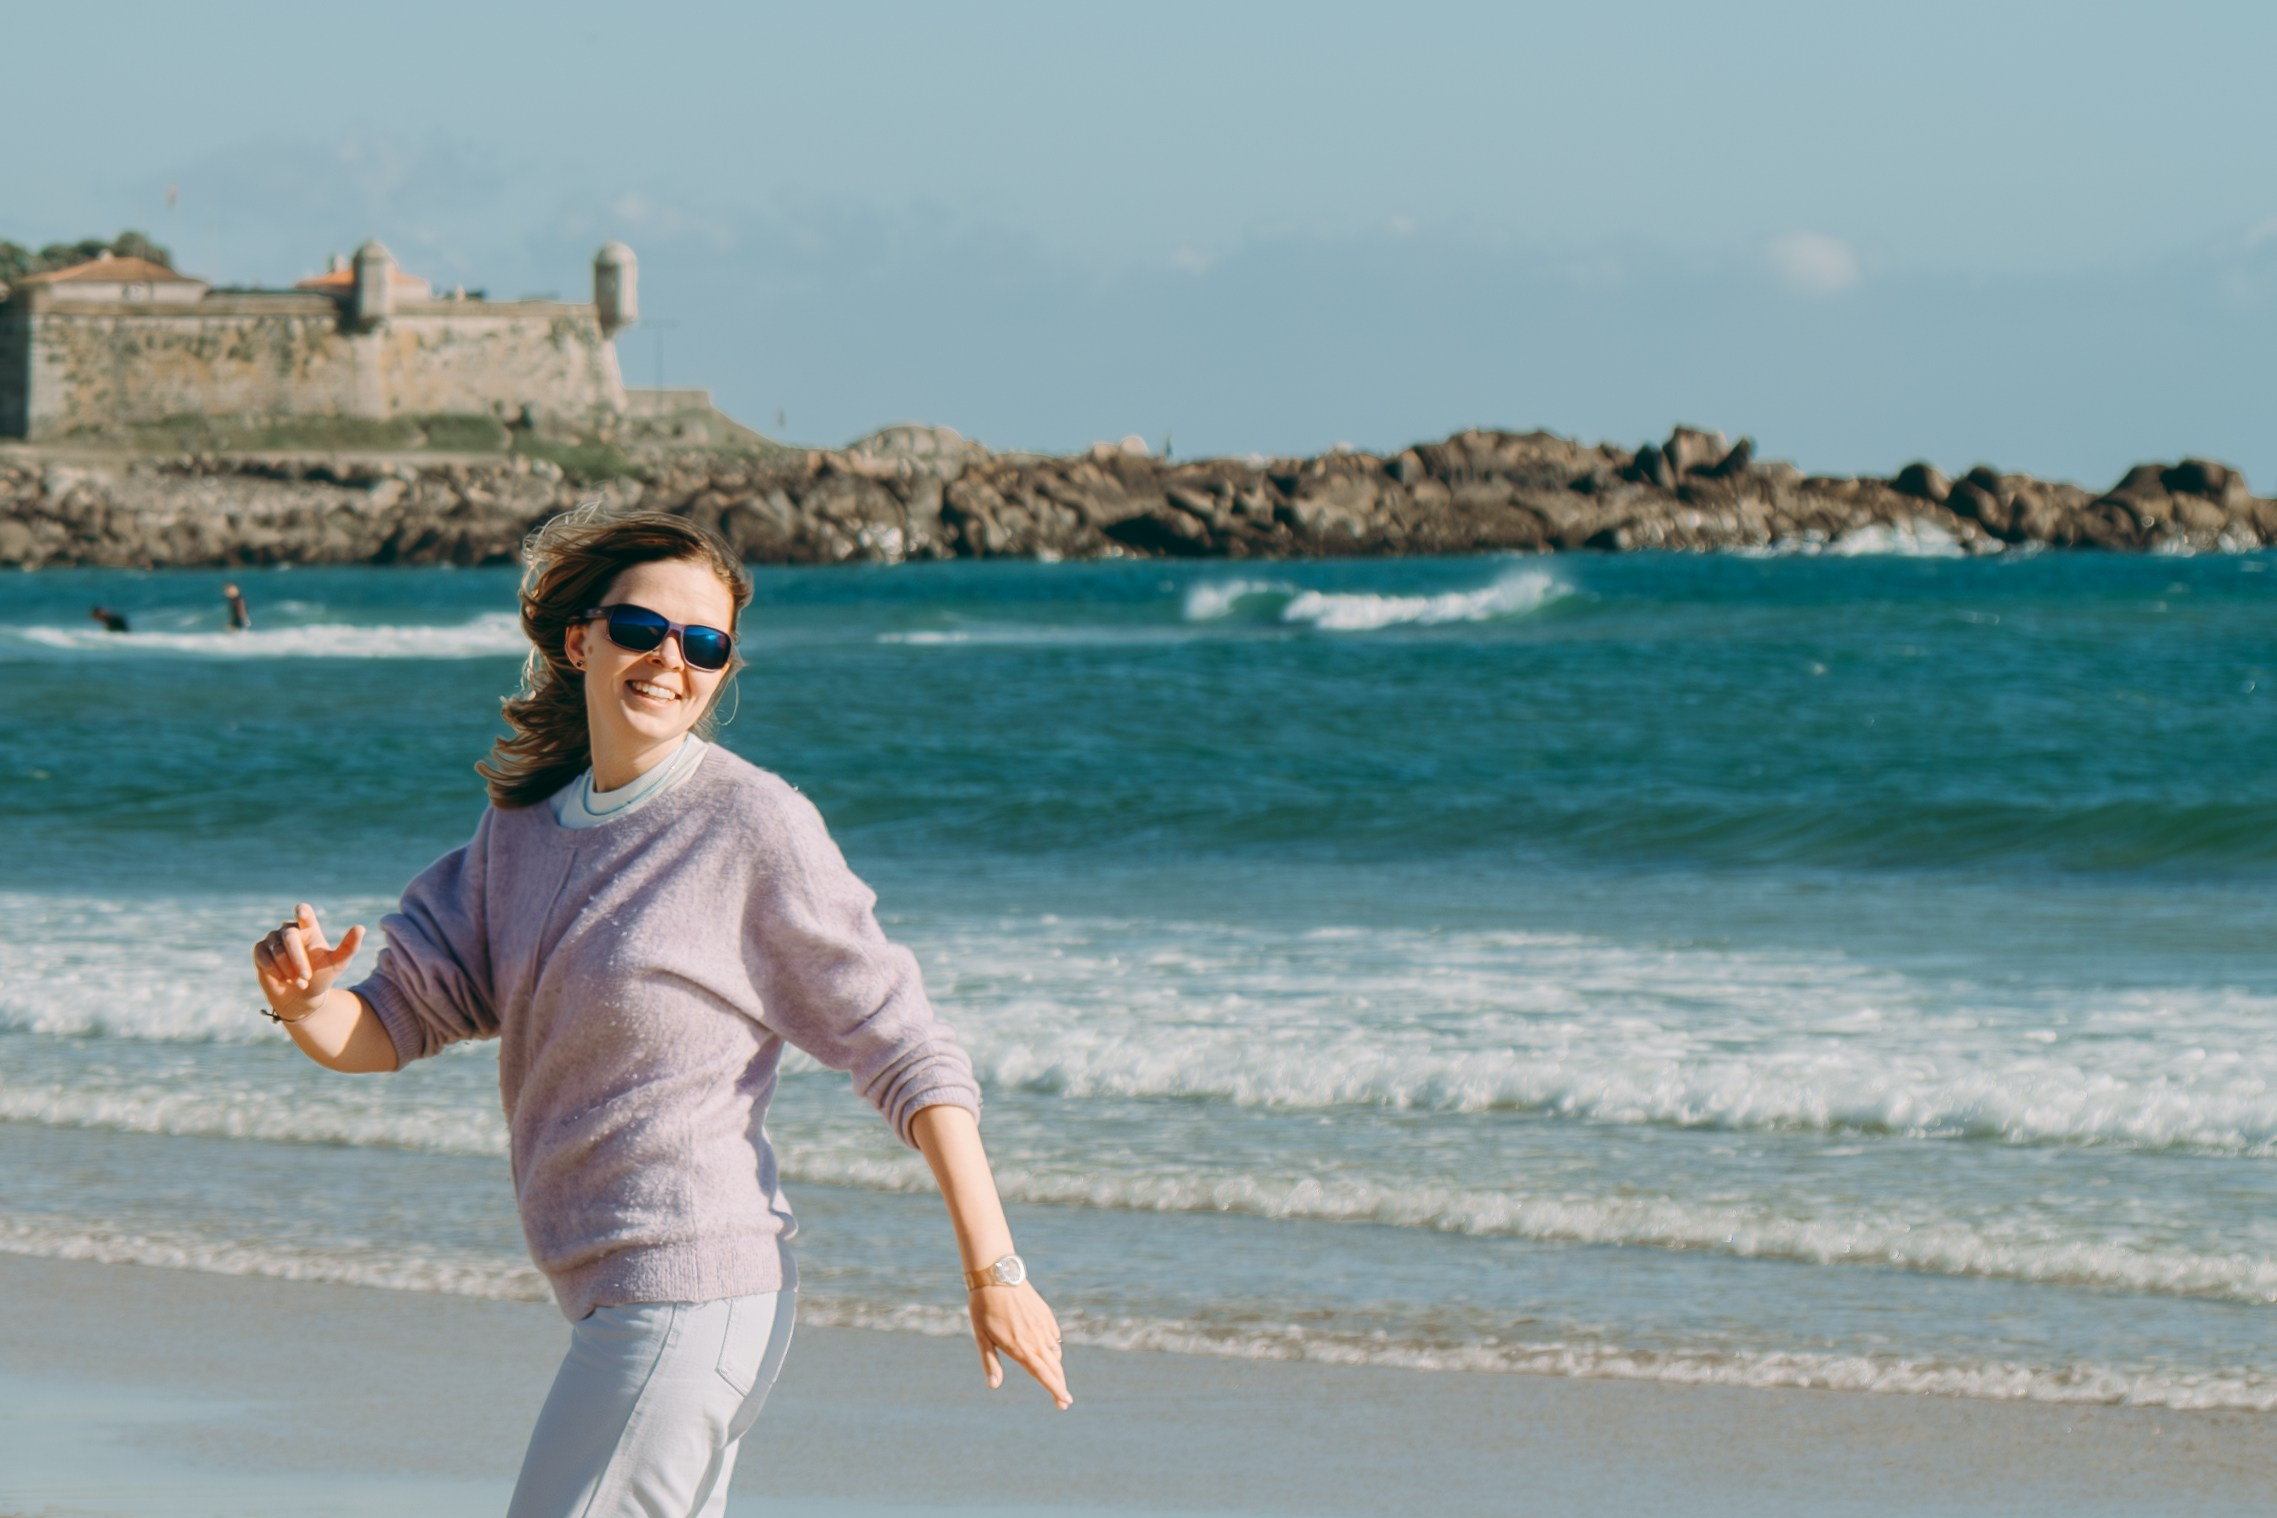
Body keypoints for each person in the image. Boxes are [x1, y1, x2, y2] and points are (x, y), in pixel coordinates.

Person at [250, 506, 1068, 1517]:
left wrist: (997, 1272)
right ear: (581, 639)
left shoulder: (752, 826)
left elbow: (906, 1052)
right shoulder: (522, 835)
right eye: (643, 629)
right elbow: (388, 1027)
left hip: (693, 1293)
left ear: (723, 672)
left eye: (705, 645)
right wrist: (302, 1001)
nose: (669, 660)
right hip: (613, 1298)